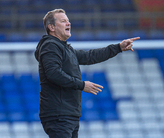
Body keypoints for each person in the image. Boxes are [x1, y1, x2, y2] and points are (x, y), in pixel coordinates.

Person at [34, 9, 140, 138]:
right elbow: (53, 73)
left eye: (68, 20)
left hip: (69, 114)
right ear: (51, 27)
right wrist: (82, 85)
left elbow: (90, 56)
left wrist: (118, 47)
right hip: (59, 114)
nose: (68, 23)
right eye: (63, 21)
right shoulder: (50, 45)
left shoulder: (66, 49)